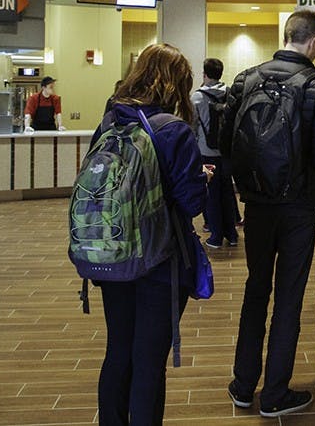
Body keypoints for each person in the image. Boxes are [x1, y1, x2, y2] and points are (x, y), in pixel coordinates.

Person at [222, 10, 315, 419]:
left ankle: (242, 384)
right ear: (314, 42)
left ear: (287, 35)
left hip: (256, 204)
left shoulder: (245, 79)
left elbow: (225, 142)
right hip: (298, 206)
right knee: (288, 297)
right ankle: (274, 394)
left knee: (257, 288)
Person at [94, 43, 208, 425]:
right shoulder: (172, 129)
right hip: (160, 259)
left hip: (112, 251)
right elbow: (190, 202)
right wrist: (201, 179)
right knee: (148, 359)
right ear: (175, 83)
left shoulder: (110, 120)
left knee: (118, 349)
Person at [193, 58, 239, 249]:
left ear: (205, 73)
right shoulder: (229, 93)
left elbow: (192, 125)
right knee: (227, 192)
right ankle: (232, 234)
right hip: (226, 151)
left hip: (206, 151)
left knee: (211, 194)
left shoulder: (196, 97)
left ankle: (216, 236)